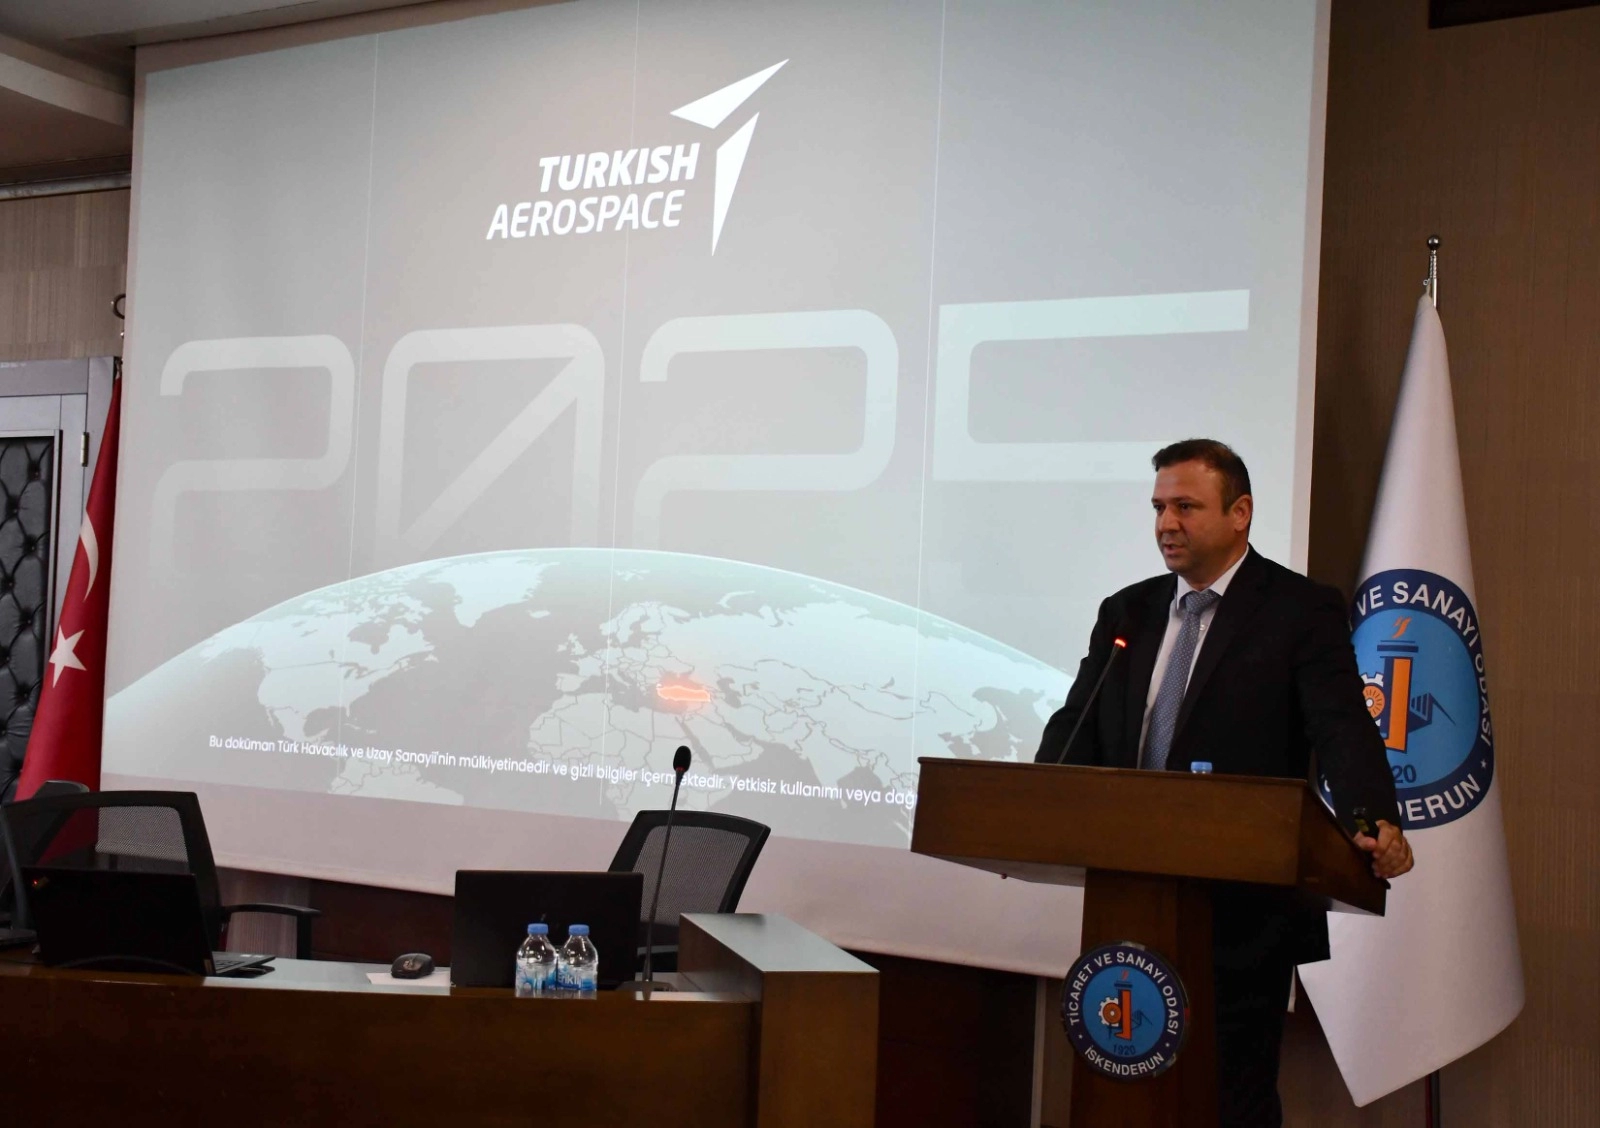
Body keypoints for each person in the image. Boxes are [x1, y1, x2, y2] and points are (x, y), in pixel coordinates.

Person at [1035, 438, 1413, 1128]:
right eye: (1158, 508)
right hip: (1133, 896)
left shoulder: (1299, 609)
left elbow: (1340, 726)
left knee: (1231, 1099)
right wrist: (1033, 800)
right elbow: (1076, 724)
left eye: (1185, 507)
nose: (1166, 524)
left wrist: (1372, 817)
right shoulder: (1127, 611)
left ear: (1240, 513)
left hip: (1246, 911)